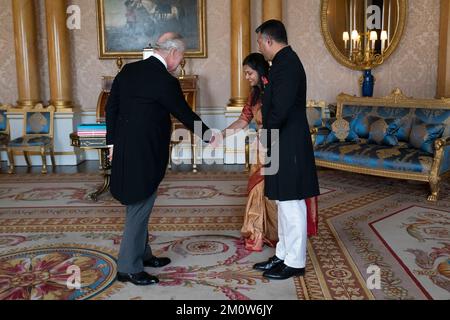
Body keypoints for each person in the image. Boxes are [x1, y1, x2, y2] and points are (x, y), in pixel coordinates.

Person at [106, 32, 214, 286]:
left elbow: (111, 108)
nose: (181, 61)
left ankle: (143, 255)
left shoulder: (129, 71)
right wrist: (209, 136)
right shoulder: (165, 80)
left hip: (124, 148)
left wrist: (111, 143)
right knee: (139, 205)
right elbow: (184, 113)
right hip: (146, 153)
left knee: (141, 200)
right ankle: (128, 268)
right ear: (173, 52)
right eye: (182, 56)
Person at [252, 20, 320, 280]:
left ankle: (295, 260)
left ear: (269, 41)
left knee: (292, 202)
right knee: (282, 200)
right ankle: (283, 254)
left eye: (260, 42)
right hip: (281, 139)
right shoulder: (281, 63)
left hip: (288, 140)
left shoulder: (288, 64)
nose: (260, 47)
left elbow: (279, 108)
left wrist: (266, 133)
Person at [221, 53, 278, 252]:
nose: (246, 77)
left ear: (260, 70)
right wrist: (221, 135)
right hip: (260, 145)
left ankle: (274, 232)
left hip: (277, 142)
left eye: (249, 73)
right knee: (257, 189)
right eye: (245, 73)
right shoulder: (253, 95)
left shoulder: (275, 90)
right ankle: (257, 232)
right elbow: (243, 121)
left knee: (272, 190)